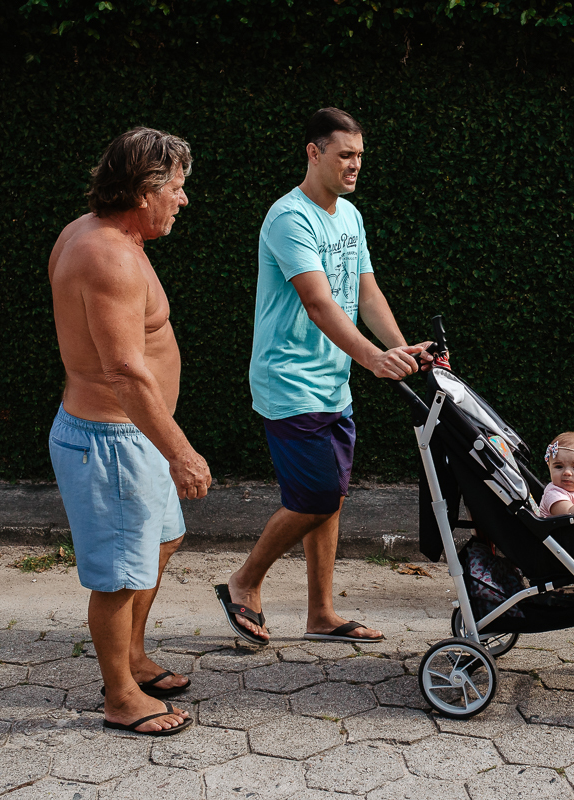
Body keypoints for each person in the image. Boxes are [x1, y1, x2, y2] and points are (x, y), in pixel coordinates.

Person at [215, 108, 431, 645]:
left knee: (329, 497)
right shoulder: (290, 218)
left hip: (331, 380)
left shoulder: (349, 216)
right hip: (289, 378)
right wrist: (371, 358)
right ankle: (243, 582)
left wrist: (400, 348)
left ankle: (321, 615)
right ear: (314, 153)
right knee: (314, 497)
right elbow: (316, 302)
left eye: (360, 155)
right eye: (345, 155)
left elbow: (365, 293)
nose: (355, 165)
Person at [48, 127, 212, 735]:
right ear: (145, 191)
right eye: (176, 187)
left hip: (133, 436)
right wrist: (182, 451)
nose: (182, 199)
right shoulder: (108, 254)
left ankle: (134, 658)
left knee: (160, 543)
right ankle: (120, 695)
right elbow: (121, 369)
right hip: (111, 442)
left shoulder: (99, 233)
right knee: (119, 574)